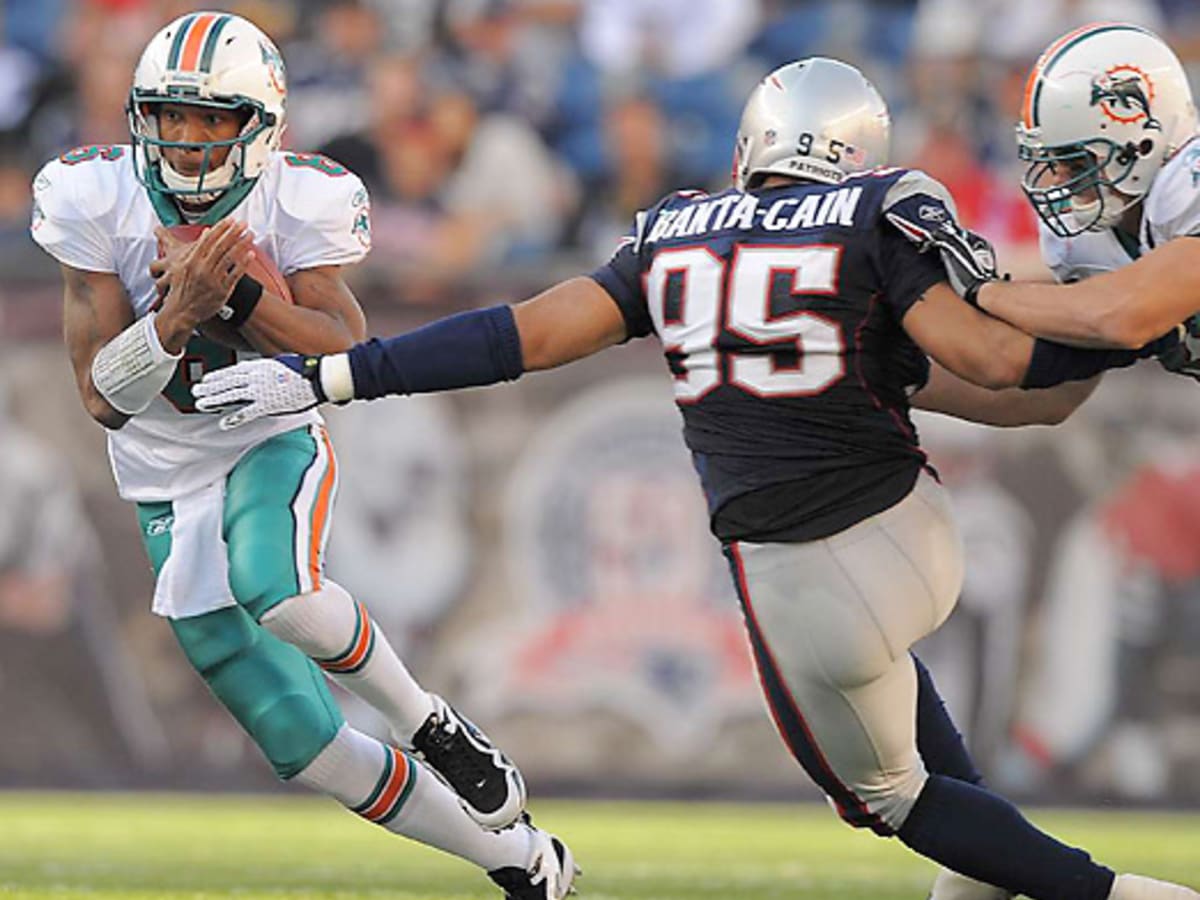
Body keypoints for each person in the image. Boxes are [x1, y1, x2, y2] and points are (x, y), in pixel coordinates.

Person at [196, 57, 1198, 900]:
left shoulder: (677, 233)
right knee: (913, 729)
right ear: (859, 151)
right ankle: (985, 884)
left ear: (751, 147)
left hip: (805, 569)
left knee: (889, 798)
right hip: (917, 530)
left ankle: (1117, 895)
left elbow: (522, 337)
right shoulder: (879, 212)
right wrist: (1115, 330)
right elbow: (1000, 373)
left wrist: (339, 373)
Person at [28, 12, 575, 900]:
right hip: (161, 471)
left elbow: (342, 345)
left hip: (265, 430)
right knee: (300, 739)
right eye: (170, 114)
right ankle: (520, 861)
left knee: (276, 587)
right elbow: (100, 396)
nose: (187, 139)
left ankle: (428, 723)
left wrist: (240, 298)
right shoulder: (92, 194)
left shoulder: (299, 197)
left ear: (261, 127)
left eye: (212, 118)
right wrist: (176, 317)